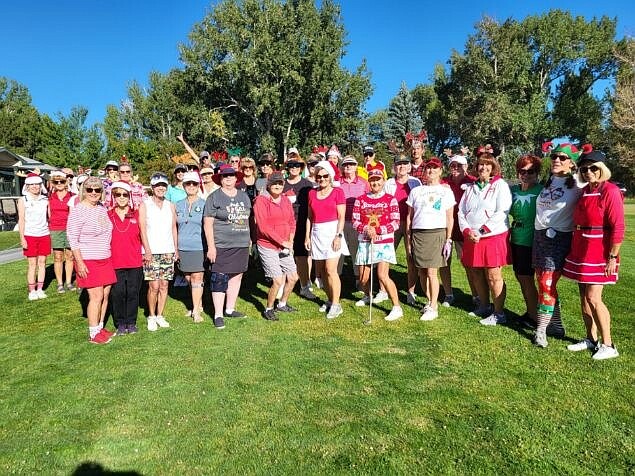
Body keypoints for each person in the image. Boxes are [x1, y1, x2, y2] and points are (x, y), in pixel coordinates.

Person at [563, 149, 624, 360]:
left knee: (594, 297)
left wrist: (612, 257)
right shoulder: (585, 191)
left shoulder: (611, 191)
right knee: (583, 297)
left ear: (602, 169)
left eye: (593, 168)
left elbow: (618, 227)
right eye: (584, 168)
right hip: (581, 247)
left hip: (599, 250)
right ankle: (591, 338)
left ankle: (608, 344)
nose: (588, 172)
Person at [532, 143, 583, 347]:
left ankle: (540, 331)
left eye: (563, 157)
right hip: (539, 237)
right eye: (554, 156)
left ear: (572, 163)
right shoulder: (550, 180)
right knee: (543, 284)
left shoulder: (579, 183)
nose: (557, 160)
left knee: (547, 284)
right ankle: (556, 325)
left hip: (559, 239)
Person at [458, 153, 512, 326]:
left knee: (493, 275)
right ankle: (484, 305)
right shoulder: (471, 188)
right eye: (480, 164)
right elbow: (461, 212)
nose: (483, 168)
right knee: (475, 272)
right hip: (472, 237)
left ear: (493, 167)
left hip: (492, 236)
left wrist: (481, 230)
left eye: (487, 165)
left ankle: (499, 313)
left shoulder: (500, 185)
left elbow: (501, 211)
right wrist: (467, 230)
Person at [66, 176, 117, 344]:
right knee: (95, 296)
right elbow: (72, 238)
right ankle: (93, 333)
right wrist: (79, 262)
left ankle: (100, 327)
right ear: (84, 191)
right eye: (90, 190)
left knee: (105, 294)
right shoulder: (78, 210)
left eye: (97, 190)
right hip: (88, 258)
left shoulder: (102, 208)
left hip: (105, 256)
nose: (94, 193)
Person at [406, 158, 456, 321]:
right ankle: (429, 300)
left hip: (436, 233)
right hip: (418, 233)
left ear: (440, 171)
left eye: (435, 169)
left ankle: (434, 306)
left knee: (432, 271)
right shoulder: (416, 191)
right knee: (421, 270)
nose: (431, 171)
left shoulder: (446, 191)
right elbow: (409, 216)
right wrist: (408, 236)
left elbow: (450, 217)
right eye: (428, 168)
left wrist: (448, 238)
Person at [203, 164, 251, 329]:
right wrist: (211, 246)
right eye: (225, 176)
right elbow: (207, 224)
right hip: (221, 244)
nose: (228, 178)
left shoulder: (244, 197)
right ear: (220, 179)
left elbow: (247, 220)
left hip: (241, 244)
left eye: (231, 175)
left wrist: (249, 241)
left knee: (237, 276)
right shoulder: (214, 197)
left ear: (236, 178)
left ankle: (230, 309)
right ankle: (218, 314)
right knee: (219, 277)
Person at [352, 169, 403, 321]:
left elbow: (395, 222)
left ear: (383, 181)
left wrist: (378, 230)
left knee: (382, 275)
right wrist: (366, 228)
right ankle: (368, 296)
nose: (375, 183)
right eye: (372, 180)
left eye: (378, 179)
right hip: (365, 240)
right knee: (363, 278)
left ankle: (396, 307)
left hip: (384, 242)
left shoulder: (390, 199)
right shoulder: (360, 199)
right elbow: (355, 221)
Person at [254, 172, 299, 320]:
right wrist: (282, 241)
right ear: (268, 185)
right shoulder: (261, 201)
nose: (277, 186)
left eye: (280, 183)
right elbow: (263, 227)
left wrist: (290, 240)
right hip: (268, 245)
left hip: (285, 245)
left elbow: (292, 222)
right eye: (274, 183)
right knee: (278, 280)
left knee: (293, 277)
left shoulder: (286, 200)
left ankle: (282, 304)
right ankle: (269, 308)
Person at [305, 160, 347, 319]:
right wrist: (307, 236)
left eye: (324, 176)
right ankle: (330, 300)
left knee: (331, 270)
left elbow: (341, 216)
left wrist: (338, 235)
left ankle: (336, 305)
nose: (321, 179)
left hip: (332, 233)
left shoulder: (338, 192)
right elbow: (309, 217)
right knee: (321, 273)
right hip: (317, 233)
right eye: (318, 176)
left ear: (330, 177)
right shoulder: (311, 193)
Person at [139, 173, 178, 331]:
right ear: (152, 187)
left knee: (164, 285)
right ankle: (151, 316)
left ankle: (160, 315)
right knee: (153, 286)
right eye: (157, 186)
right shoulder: (145, 205)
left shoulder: (170, 205)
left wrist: (175, 248)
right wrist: (147, 250)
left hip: (167, 250)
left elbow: (173, 228)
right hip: (151, 252)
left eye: (163, 185)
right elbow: (142, 229)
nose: (161, 188)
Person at [509, 155, 543, 327]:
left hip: (530, 241)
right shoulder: (513, 190)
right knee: (520, 277)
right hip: (515, 238)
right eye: (522, 171)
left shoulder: (541, 190)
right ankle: (530, 312)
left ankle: (536, 318)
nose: (526, 174)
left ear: (537, 173)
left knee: (526, 278)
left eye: (531, 171)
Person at [108, 181, 146, 335]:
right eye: (118, 194)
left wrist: (147, 251)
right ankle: (120, 323)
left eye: (125, 194)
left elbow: (142, 234)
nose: (122, 197)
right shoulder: (108, 214)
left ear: (129, 196)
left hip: (134, 260)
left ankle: (131, 322)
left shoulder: (135, 213)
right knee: (118, 293)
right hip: (115, 261)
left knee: (132, 292)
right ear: (113, 196)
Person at [384, 155, 422, 305]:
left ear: (409, 166)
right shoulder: (389, 183)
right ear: (394, 167)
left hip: (410, 224)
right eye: (399, 164)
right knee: (385, 255)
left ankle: (411, 291)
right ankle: (382, 289)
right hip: (391, 223)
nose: (402, 167)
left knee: (410, 257)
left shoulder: (415, 182)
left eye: (405, 164)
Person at [439, 155, 476, 308]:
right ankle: (448, 294)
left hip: (463, 228)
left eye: (459, 166)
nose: (455, 168)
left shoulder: (473, 181)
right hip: (445, 226)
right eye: (453, 165)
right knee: (444, 262)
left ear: (466, 167)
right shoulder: (443, 183)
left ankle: (476, 295)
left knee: (467, 263)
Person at [175, 172, 207, 323]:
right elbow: (174, 227)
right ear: (184, 186)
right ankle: (198, 304)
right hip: (182, 246)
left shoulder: (204, 204)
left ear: (198, 186)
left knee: (197, 277)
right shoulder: (178, 205)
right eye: (188, 184)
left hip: (198, 246)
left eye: (194, 184)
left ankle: (196, 311)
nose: (191, 186)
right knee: (188, 278)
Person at [282, 157, 316, 299]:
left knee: (301, 257)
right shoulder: (282, 184)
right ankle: (281, 284)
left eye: (297, 165)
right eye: (291, 165)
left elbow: (312, 206)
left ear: (301, 168)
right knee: (283, 255)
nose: (294, 167)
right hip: (284, 225)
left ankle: (304, 286)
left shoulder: (307, 185)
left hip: (301, 224)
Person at [18, 173, 51, 301]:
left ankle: (40, 289)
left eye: (37, 184)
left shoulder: (45, 200)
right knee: (32, 264)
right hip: (30, 235)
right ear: (27, 186)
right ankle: (32, 290)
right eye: (32, 184)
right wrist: (22, 238)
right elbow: (21, 220)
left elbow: (49, 217)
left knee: (42, 263)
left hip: (44, 234)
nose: (35, 187)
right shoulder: (23, 200)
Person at [338, 155, 370, 285]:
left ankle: (359, 279)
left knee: (356, 251)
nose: (348, 167)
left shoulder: (363, 182)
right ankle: (336, 278)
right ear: (342, 167)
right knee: (338, 251)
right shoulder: (337, 183)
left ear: (356, 166)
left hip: (357, 222)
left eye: (351, 164)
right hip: (340, 221)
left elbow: (368, 201)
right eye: (346, 165)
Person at [48, 170, 76, 293]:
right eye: (56, 181)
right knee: (58, 256)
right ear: (53, 183)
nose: (59, 183)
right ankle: (60, 283)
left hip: (70, 228)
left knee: (70, 256)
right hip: (55, 228)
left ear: (66, 182)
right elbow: (48, 214)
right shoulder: (50, 197)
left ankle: (69, 282)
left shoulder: (73, 196)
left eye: (62, 181)